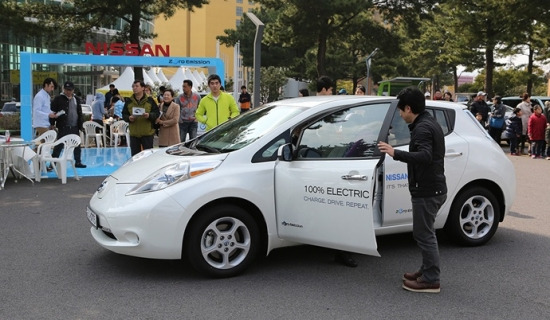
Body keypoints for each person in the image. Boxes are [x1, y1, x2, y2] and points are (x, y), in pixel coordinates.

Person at [377, 87, 447, 293]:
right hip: (433, 188)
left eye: (400, 110)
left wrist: (394, 152)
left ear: (409, 108)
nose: (399, 114)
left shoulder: (422, 128)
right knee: (425, 233)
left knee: (424, 235)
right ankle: (426, 271)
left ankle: (431, 279)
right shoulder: (427, 122)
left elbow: (425, 156)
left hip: (427, 190)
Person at [315, 75, 358, 268]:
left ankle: (333, 246)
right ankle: (342, 250)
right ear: (325, 89)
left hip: (316, 161)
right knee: (339, 206)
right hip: (329, 159)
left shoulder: (310, 104)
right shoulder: (325, 106)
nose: (332, 93)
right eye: (331, 90)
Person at [50, 81, 87, 168]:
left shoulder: (76, 99)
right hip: (63, 126)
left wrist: (80, 124)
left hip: (74, 126)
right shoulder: (58, 99)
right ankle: (53, 163)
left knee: (77, 145)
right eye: (66, 90)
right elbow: (53, 112)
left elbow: (79, 112)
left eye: (70, 90)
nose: (68, 92)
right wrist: (52, 124)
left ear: (73, 90)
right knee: (59, 145)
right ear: (64, 89)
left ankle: (78, 161)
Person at [122, 80, 160, 156]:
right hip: (134, 134)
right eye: (133, 86)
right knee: (135, 156)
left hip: (147, 133)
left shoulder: (150, 100)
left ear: (143, 88)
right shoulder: (129, 101)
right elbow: (124, 114)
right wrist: (129, 118)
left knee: (148, 156)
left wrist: (149, 115)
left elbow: (156, 113)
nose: (134, 88)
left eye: (136, 86)